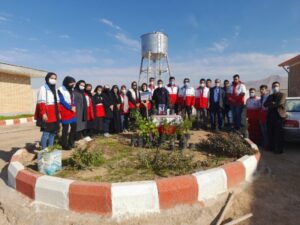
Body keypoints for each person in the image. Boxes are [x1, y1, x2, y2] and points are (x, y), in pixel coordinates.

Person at [34, 72, 61, 150]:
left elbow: (57, 102)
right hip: (48, 114)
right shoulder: (43, 88)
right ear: (47, 78)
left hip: (55, 115)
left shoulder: (55, 89)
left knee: (53, 133)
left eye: (55, 78)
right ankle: (44, 149)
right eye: (52, 78)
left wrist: (59, 112)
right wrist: (43, 113)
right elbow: (41, 102)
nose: (53, 80)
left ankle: (50, 149)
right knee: (46, 133)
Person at [264, 82, 286, 154]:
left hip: (278, 116)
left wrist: (271, 104)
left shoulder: (282, 94)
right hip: (270, 116)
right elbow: (265, 104)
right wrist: (272, 103)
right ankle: (271, 147)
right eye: (273, 86)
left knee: (278, 134)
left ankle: (279, 149)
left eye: (276, 86)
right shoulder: (270, 96)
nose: (275, 87)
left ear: (279, 87)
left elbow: (280, 103)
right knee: (270, 133)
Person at [58, 76, 77, 150]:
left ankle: (71, 142)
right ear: (67, 82)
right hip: (65, 110)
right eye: (71, 83)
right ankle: (64, 144)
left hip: (72, 110)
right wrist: (70, 107)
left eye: (73, 83)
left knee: (74, 127)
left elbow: (73, 99)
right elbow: (62, 100)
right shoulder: (60, 90)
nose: (73, 84)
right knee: (65, 128)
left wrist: (74, 106)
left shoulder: (71, 89)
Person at [258, 85, 269, 149]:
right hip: (261, 115)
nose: (261, 91)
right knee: (262, 131)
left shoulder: (268, 97)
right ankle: (264, 143)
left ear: (266, 90)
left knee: (266, 131)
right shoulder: (261, 97)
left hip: (266, 115)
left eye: (263, 89)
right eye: (261, 89)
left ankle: (266, 145)